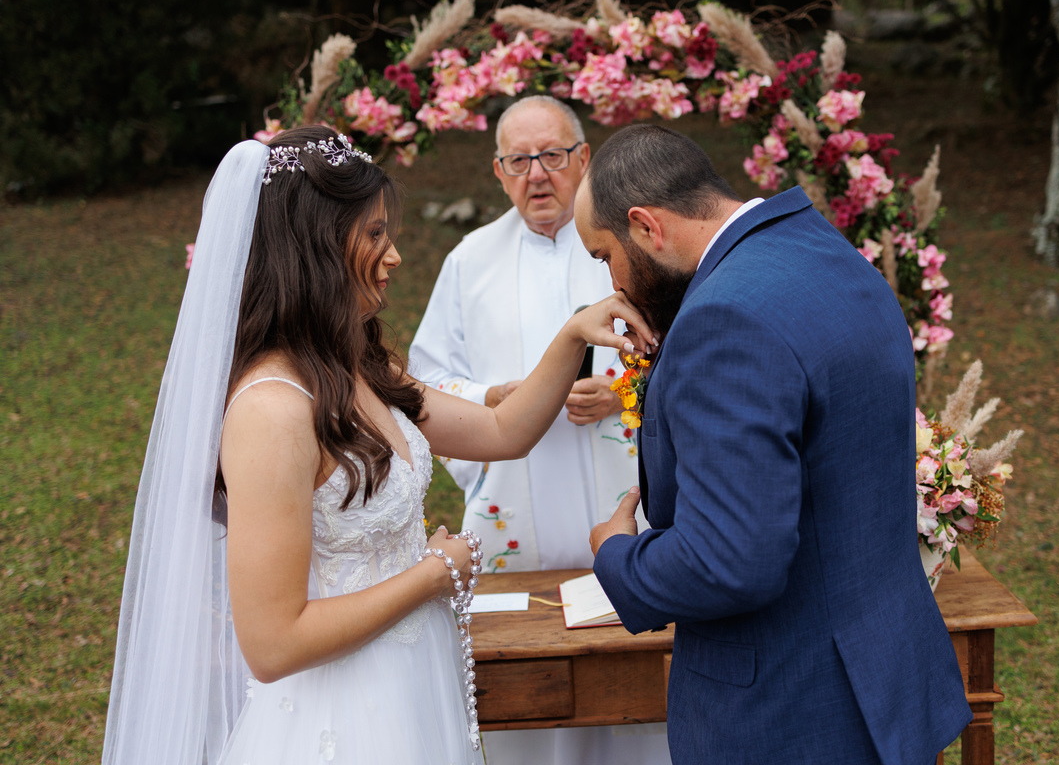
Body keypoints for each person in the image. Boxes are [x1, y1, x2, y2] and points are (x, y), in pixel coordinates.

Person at [100, 127, 653, 765]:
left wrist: (573, 333)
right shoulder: (271, 410)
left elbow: (503, 430)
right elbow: (274, 644)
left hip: (412, 686)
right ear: (315, 248)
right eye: (373, 235)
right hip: (344, 717)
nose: (394, 256)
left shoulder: (359, 369)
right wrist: (433, 574)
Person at [578, 125, 973, 764]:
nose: (615, 283)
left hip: (793, 713)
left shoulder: (723, 320)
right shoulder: (822, 248)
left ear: (646, 226)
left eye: (604, 256)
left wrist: (618, 556)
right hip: (885, 678)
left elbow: (728, 560)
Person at [410, 95, 672, 765]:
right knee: (532, 703)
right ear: (498, 173)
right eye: (519, 161)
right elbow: (424, 381)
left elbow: (683, 343)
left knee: (640, 695)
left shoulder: (626, 244)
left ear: (583, 158)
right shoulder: (469, 260)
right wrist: (493, 399)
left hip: (623, 497)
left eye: (552, 156)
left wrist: (624, 392)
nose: (537, 175)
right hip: (517, 514)